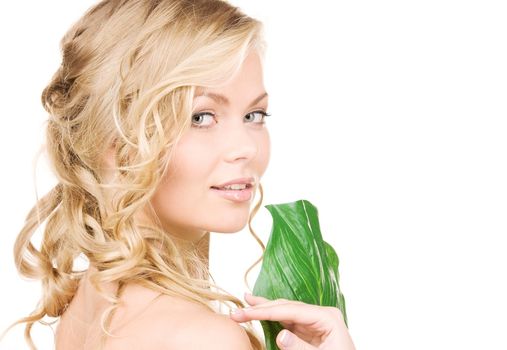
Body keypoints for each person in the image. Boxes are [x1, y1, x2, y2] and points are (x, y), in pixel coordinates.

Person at [5, 0, 356, 349]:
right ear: (114, 144)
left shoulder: (88, 300)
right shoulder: (204, 338)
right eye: (201, 117)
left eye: (254, 115)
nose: (245, 148)